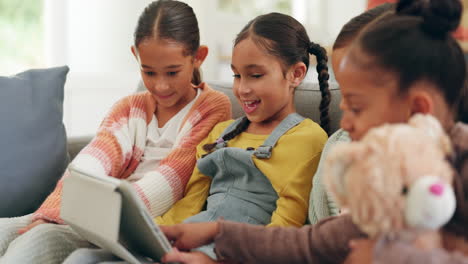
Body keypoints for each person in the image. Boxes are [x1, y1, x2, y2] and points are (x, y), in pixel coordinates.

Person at [161, 0, 468, 263]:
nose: (345, 123)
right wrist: (218, 233)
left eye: (357, 108)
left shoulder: (460, 165)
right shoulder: (383, 179)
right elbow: (309, 243)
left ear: (417, 109)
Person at [64, 11, 331, 264]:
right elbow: (189, 203)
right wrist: (151, 235)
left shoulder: (307, 139)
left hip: (236, 253)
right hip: (187, 242)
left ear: (295, 74)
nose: (242, 88)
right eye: (237, 75)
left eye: (256, 75)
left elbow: (285, 228)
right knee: (82, 258)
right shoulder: (223, 133)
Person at [0, 0, 231, 263]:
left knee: (40, 239)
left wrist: (95, 216)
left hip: (135, 224)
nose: (161, 85)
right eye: (149, 72)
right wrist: (49, 213)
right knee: (6, 229)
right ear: (136, 55)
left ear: (198, 57)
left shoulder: (212, 107)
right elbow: (93, 161)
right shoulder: (129, 108)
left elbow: (175, 176)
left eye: (172, 72)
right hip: (93, 216)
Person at [309, 2, 395, 224]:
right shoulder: (337, 146)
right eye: (343, 92)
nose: (343, 108)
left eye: (356, 101)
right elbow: (315, 235)